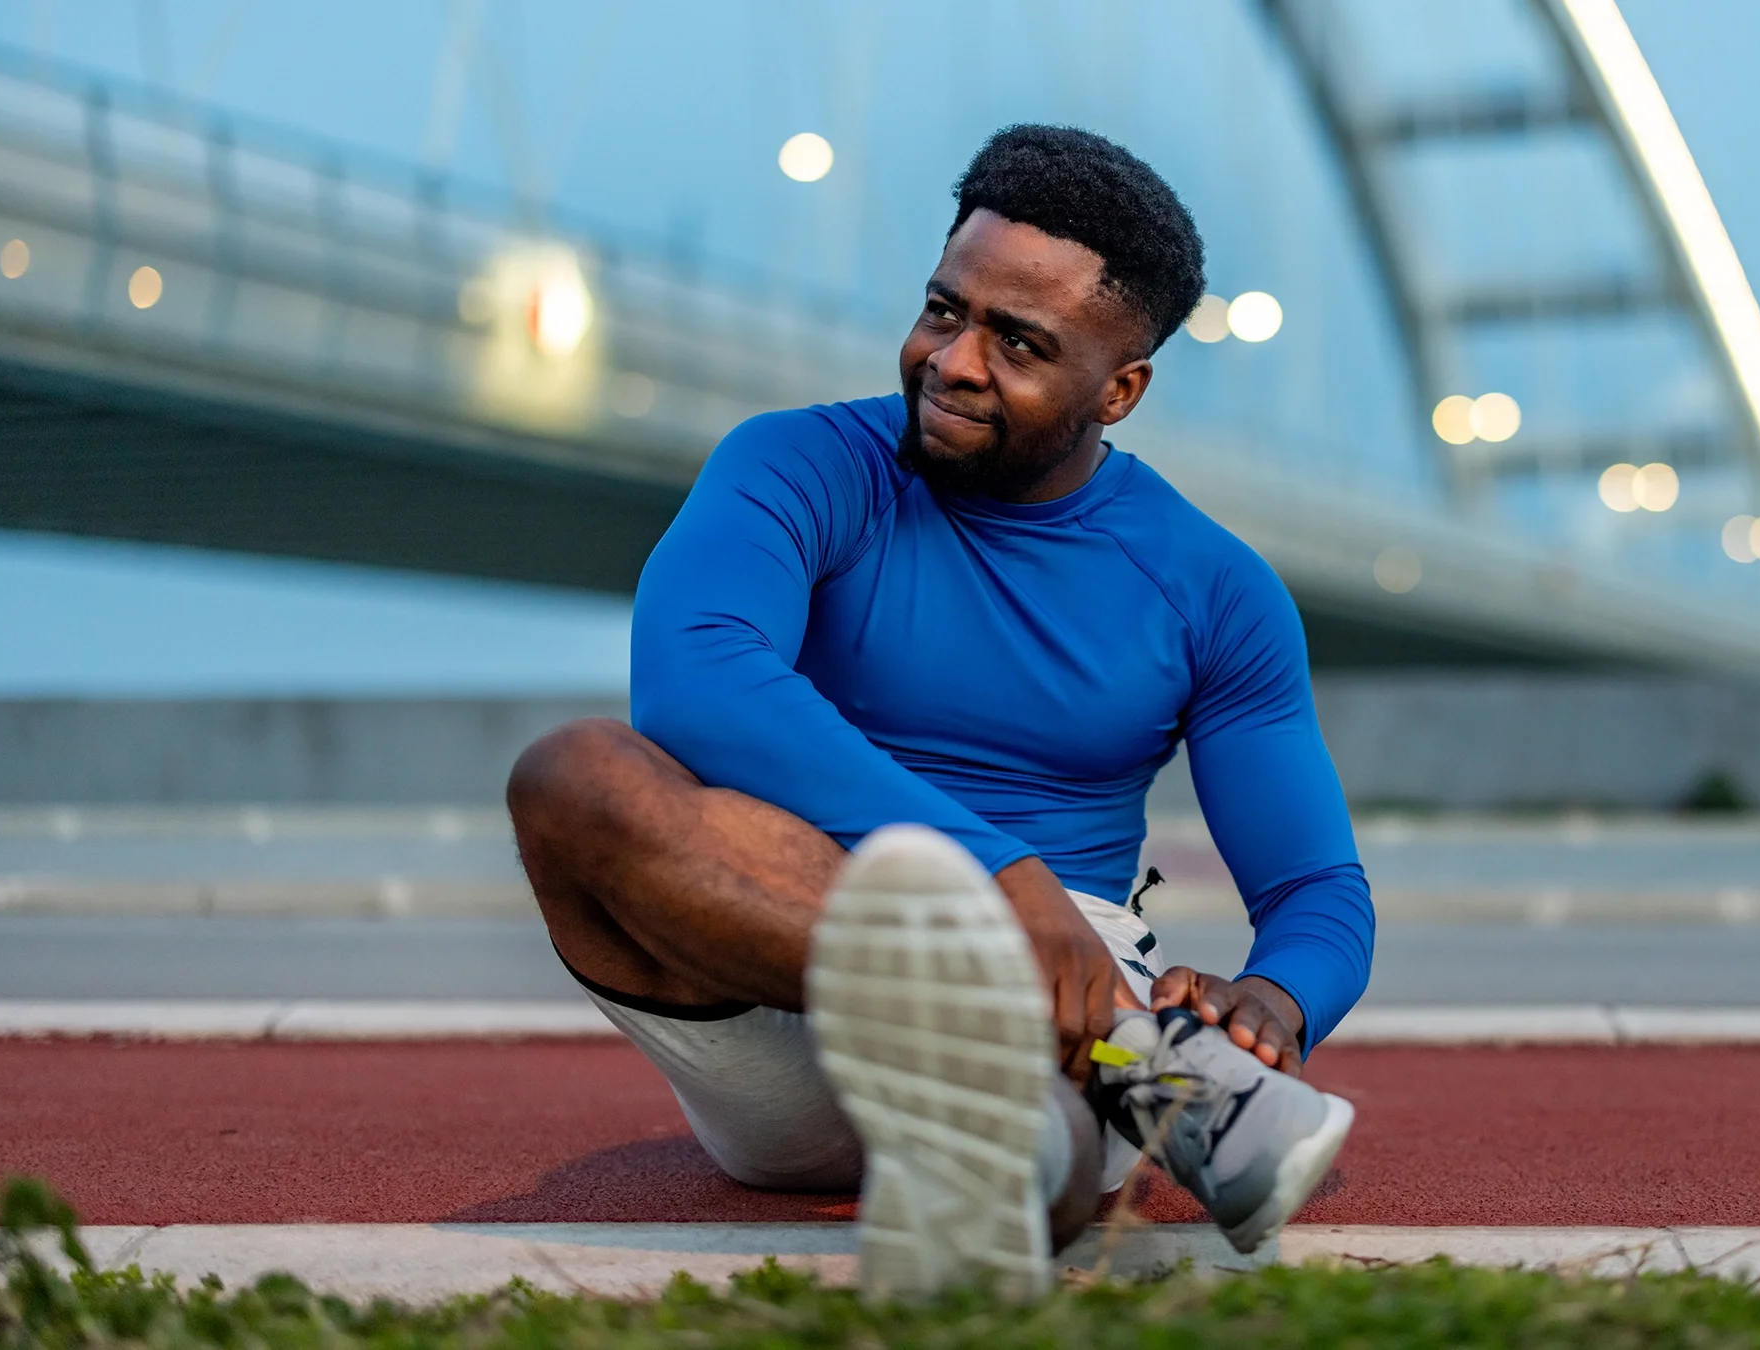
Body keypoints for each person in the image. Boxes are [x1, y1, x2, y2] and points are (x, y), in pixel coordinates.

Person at [507, 124, 1374, 1298]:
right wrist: (996, 880)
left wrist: (1274, 1002)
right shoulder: (798, 465)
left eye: (1018, 343)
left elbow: (1317, 892)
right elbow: (696, 676)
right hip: (785, 944)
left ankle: (1023, 1154)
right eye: (944, 310)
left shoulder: (1212, 589)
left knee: (1044, 1136)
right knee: (575, 777)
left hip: (1065, 983)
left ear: (1119, 389)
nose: (955, 361)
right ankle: (1159, 1086)